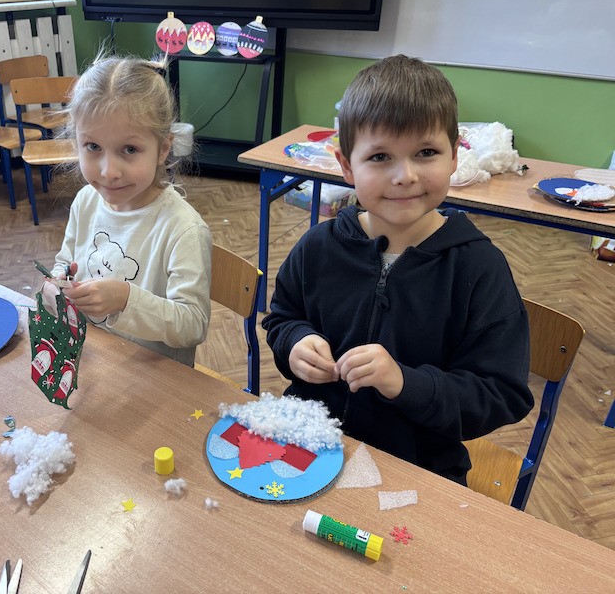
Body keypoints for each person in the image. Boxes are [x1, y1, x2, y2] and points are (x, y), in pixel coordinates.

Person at [262, 55, 533, 485]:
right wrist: (295, 342)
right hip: (312, 446)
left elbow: (501, 394)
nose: (405, 175)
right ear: (347, 166)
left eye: (426, 153)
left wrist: (406, 383)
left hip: (419, 468)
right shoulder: (318, 247)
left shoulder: (479, 269)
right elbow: (282, 318)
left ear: (454, 156)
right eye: (380, 156)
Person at [42, 53, 212, 367]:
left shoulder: (183, 229)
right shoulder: (86, 201)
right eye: (93, 147)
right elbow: (65, 263)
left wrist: (125, 299)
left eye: (130, 149)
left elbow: (192, 325)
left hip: (156, 378)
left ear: (163, 149)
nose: (109, 171)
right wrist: (55, 284)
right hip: (94, 363)